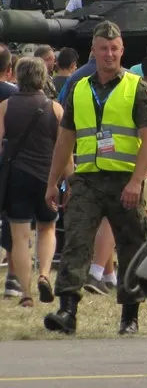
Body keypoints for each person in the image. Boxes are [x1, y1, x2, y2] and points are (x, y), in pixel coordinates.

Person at [42, 20, 147, 336]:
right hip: (87, 179)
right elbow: (65, 139)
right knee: (76, 241)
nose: (109, 54)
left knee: (132, 246)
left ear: (122, 50)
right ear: (93, 51)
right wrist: (52, 182)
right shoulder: (79, 88)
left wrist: (136, 182)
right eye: (103, 48)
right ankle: (67, 310)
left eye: (114, 49)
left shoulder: (137, 88)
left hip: (124, 180)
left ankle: (130, 316)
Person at [0, 57, 63, 308]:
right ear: (42, 77)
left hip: (17, 178)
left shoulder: (5, 107)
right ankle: (44, 274)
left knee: (20, 237)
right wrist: (67, 179)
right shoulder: (55, 108)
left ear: (18, 76)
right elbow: (64, 150)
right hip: (48, 177)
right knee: (47, 228)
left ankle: (26, 293)